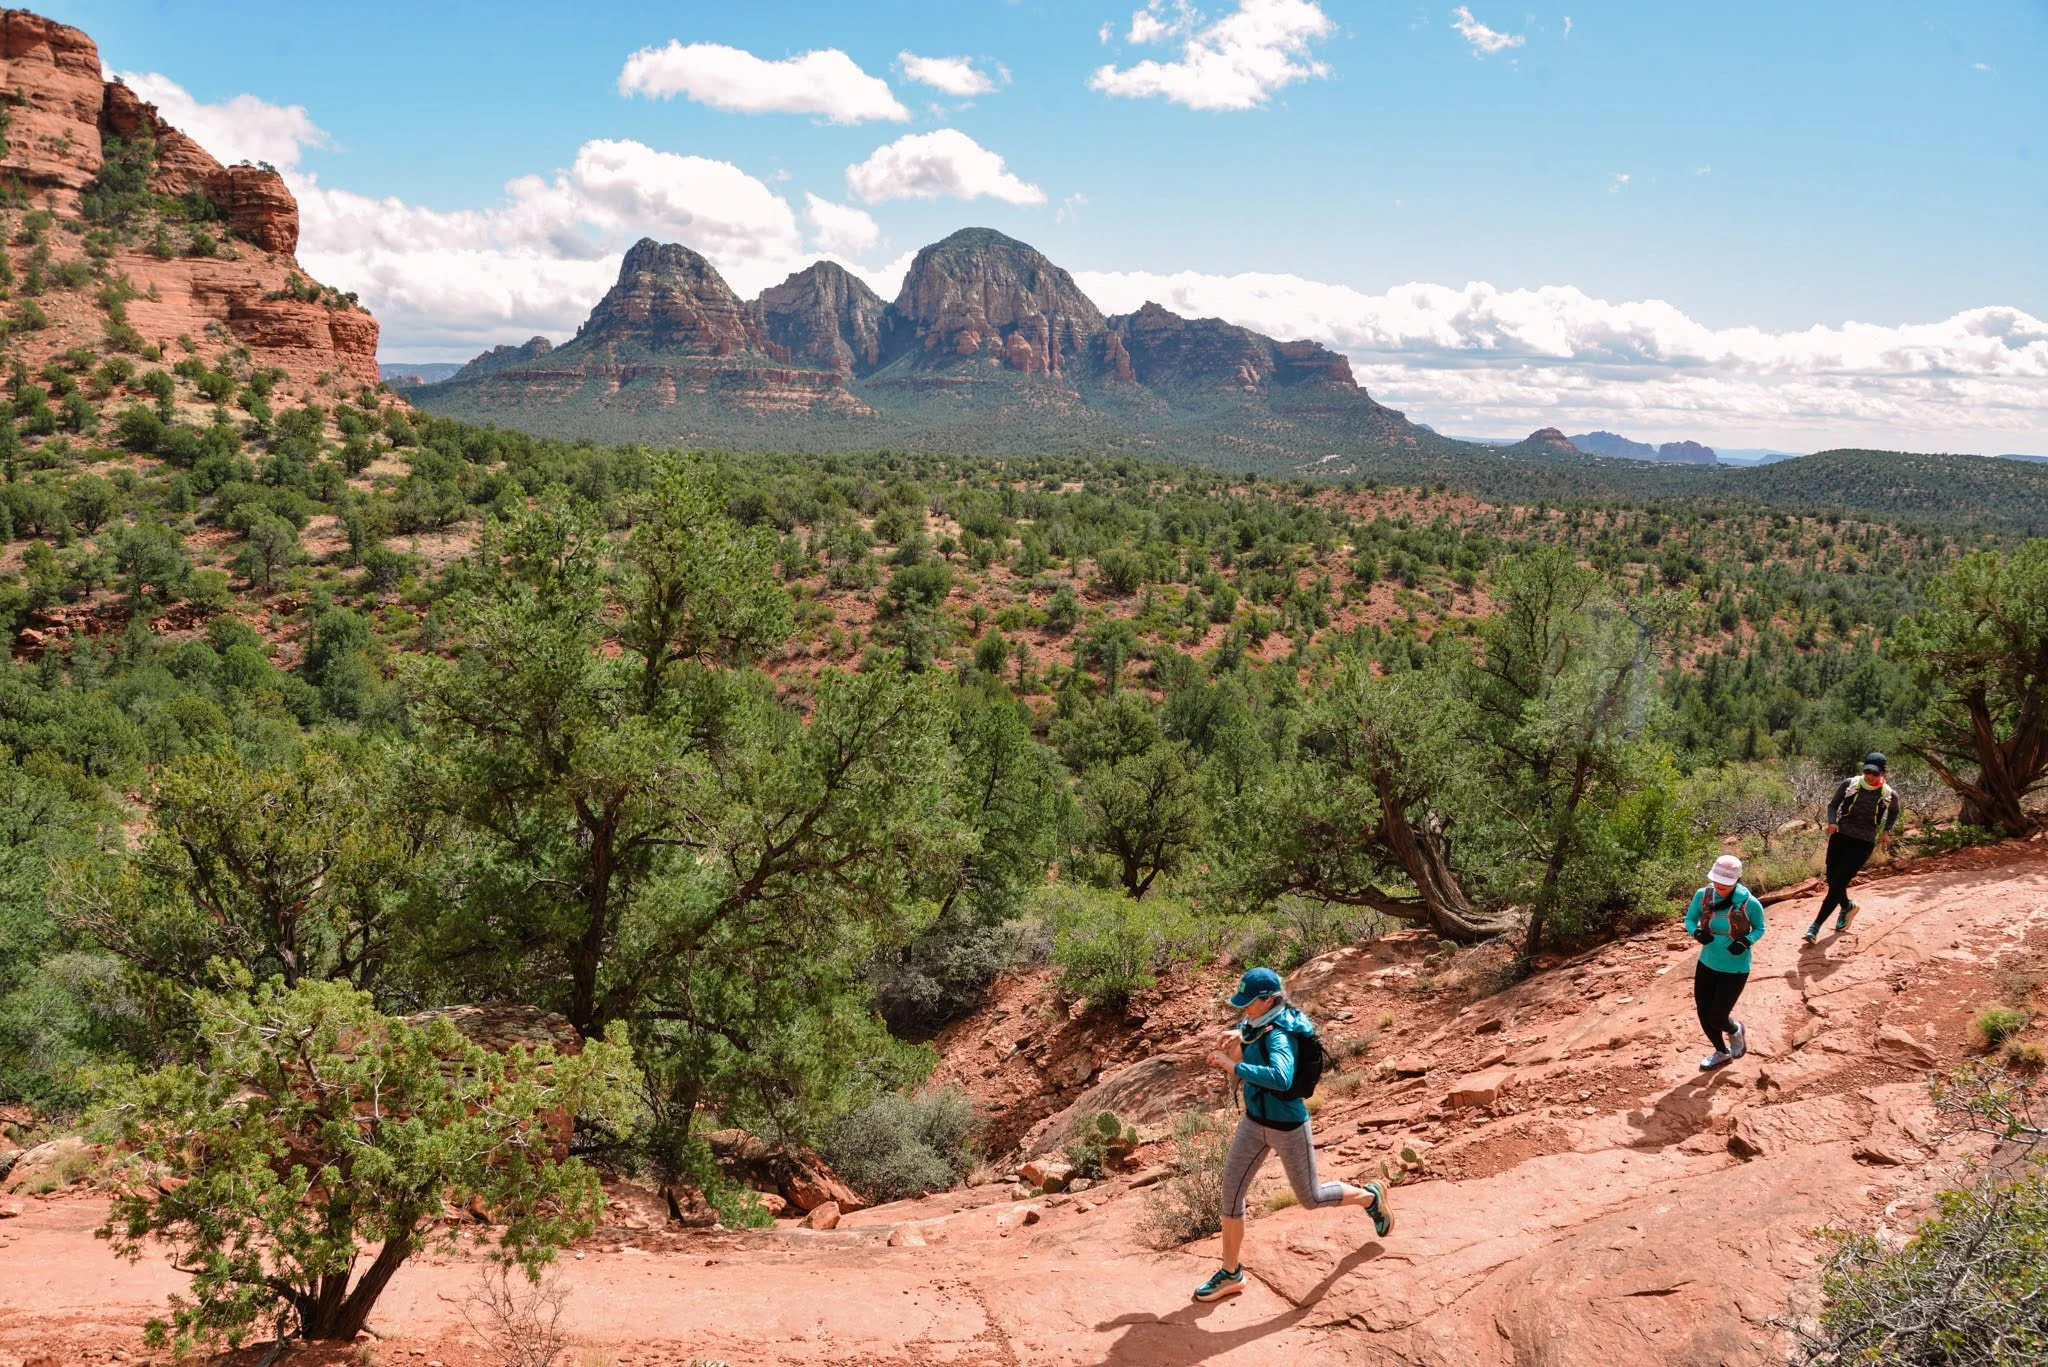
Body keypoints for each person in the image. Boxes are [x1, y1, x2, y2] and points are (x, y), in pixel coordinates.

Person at [1190, 966, 1393, 1304]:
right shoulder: (1261, 1021)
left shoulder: (1280, 1033)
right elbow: (1255, 1028)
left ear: (1268, 999)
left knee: (1310, 1197)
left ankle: (1370, 1197)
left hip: (1288, 1126)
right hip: (1254, 1122)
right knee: (1231, 1193)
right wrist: (1237, 1034)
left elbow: (1282, 1077)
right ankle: (1230, 1273)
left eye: (1249, 1002)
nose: (1244, 1008)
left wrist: (1233, 1066)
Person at [1804, 753, 1901, 943]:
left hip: (1863, 843)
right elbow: (1833, 805)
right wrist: (1832, 822)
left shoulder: (1889, 794)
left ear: (1882, 772)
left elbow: (1894, 812)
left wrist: (1886, 831)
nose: (1869, 776)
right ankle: (1847, 906)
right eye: (1866, 771)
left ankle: (1815, 927)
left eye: (1873, 773)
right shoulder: (1850, 784)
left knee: (1838, 883)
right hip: (1840, 837)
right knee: (1832, 879)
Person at [1685, 854, 1766, 1071]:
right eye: (1717, 881)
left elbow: (1760, 928)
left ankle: (1735, 1029)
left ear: (1736, 881)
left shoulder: (1750, 903)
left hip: (1736, 967)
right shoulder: (1703, 895)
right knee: (1703, 1012)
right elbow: (1689, 919)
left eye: (1726, 884)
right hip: (1707, 962)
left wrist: (1746, 941)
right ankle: (1721, 1052)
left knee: (1717, 1016)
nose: (1720, 886)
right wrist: (1697, 934)